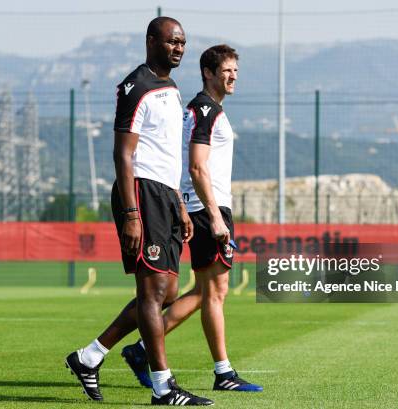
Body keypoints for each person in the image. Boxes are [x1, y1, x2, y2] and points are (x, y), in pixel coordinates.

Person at [65, 16, 213, 406]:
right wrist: (131, 212)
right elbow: (123, 153)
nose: (179, 48)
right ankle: (164, 387)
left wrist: (179, 203)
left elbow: (165, 153)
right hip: (141, 194)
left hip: (165, 196)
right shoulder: (136, 86)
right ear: (151, 41)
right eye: (171, 42)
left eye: (182, 42)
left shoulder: (171, 87)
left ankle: (89, 356)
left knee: (169, 290)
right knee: (151, 291)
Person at [122, 45, 262, 393]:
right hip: (207, 208)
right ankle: (220, 372)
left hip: (203, 206)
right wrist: (215, 216)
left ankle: (146, 350)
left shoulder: (201, 109)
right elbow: (197, 165)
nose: (233, 77)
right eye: (227, 70)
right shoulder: (206, 110)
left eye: (236, 72)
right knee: (212, 291)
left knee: (208, 291)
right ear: (208, 73)